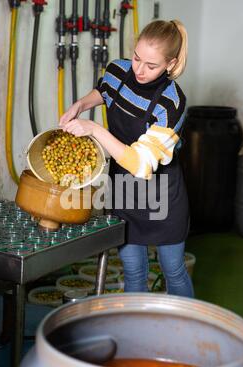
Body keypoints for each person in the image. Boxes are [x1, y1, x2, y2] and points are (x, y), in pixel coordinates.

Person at [59, 20, 194, 298]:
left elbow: (141, 165)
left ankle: (187, 336)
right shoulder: (117, 70)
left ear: (170, 64)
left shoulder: (172, 104)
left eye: (151, 65)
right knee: (133, 270)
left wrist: (94, 129)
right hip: (122, 189)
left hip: (162, 195)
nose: (139, 70)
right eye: (136, 58)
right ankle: (138, 333)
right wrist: (82, 104)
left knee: (173, 270)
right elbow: (105, 91)